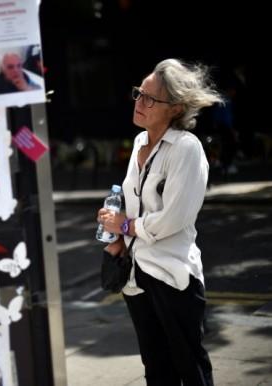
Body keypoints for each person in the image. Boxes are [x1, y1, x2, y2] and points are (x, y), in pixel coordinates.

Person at [97, 58, 223, 386]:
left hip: (171, 276)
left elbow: (172, 219)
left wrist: (125, 225)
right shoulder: (140, 143)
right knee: (156, 370)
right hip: (136, 276)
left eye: (150, 98)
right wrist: (115, 228)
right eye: (139, 93)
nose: (139, 102)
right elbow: (132, 203)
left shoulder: (186, 149)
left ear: (176, 108)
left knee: (189, 367)